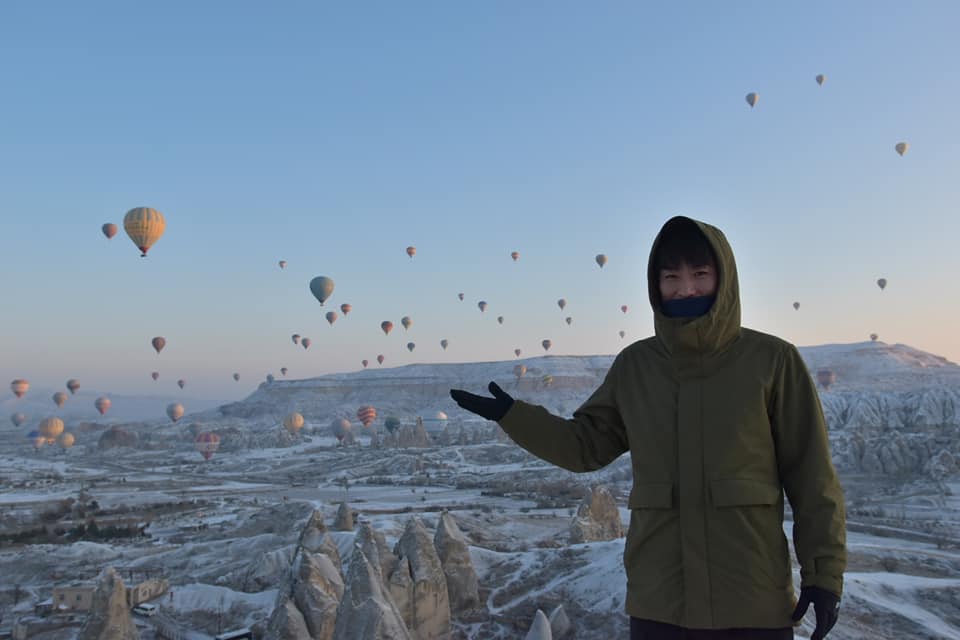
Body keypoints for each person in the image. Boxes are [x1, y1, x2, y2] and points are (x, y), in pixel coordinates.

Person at [450, 216, 845, 640]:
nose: (685, 288)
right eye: (671, 277)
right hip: (660, 602)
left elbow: (812, 478)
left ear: (723, 278)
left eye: (700, 274)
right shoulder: (636, 365)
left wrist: (822, 576)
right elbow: (586, 447)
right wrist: (514, 416)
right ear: (655, 284)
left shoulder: (772, 361)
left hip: (751, 598)